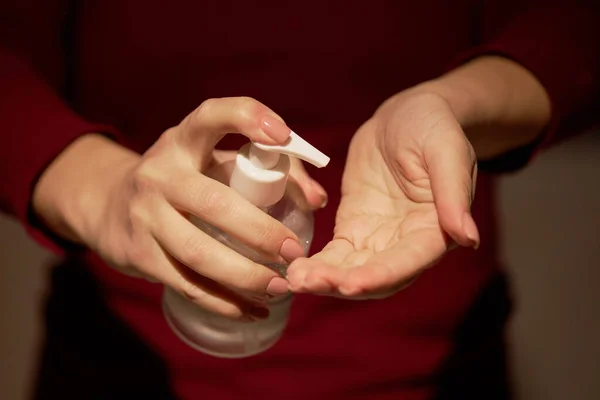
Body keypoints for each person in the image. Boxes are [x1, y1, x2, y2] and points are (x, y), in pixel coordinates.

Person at [1, 0, 598, 399]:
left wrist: (455, 105)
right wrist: (104, 188)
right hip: (123, 362)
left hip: (435, 363)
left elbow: (570, 25)